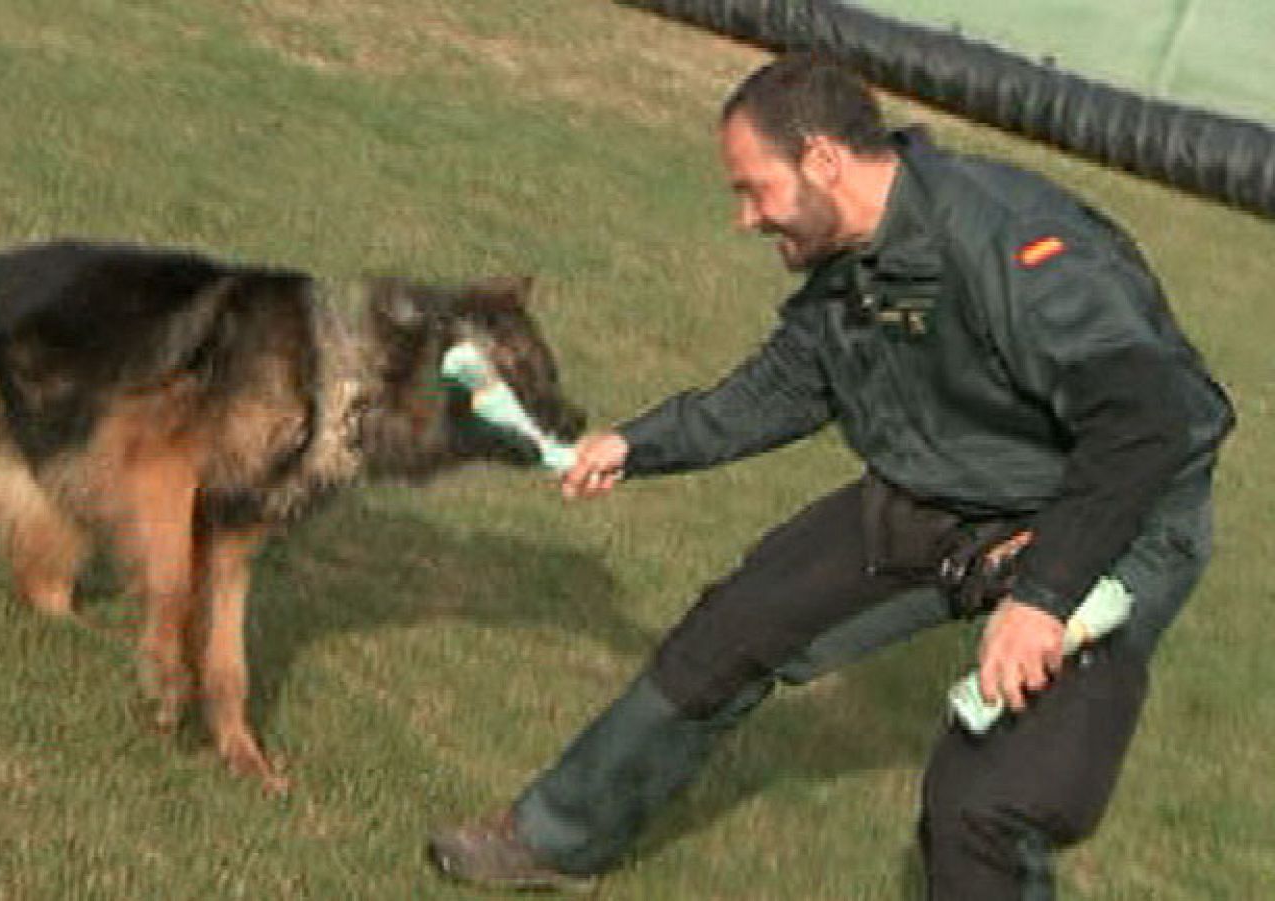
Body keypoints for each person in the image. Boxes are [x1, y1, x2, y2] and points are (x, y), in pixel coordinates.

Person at [426, 53, 1233, 897]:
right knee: (729, 633)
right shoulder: (853, 264)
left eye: (752, 189)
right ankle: (554, 840)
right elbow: (785, 385)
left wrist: (1044, 594)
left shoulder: (1011, 241)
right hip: (953, 491)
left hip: (1111, 517)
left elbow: (1147, 422)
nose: (744, 218)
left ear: (822, 161)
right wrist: (636, 444)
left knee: (985, 809)